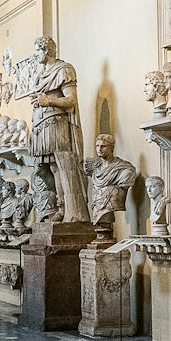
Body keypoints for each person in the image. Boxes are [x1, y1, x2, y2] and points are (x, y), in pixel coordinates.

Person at [28, 36, 87, 223]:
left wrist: (49, 101)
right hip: (40, 126)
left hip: (55, 123)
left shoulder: (64, 70)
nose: (36, 54)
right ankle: (55, 206)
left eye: (37, 50)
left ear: (46, 50)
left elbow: (71, 100)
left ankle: (64, 208)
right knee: (42, 169)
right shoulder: (40, 76)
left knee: (59, 166)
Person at [83, 133, 137, 232]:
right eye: (97, 146)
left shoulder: (123, 169)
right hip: (97, 206)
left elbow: (126, 180)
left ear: (111, 148)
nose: (99, 149)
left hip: (109, 206)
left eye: (103, 146)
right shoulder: (95, 168)